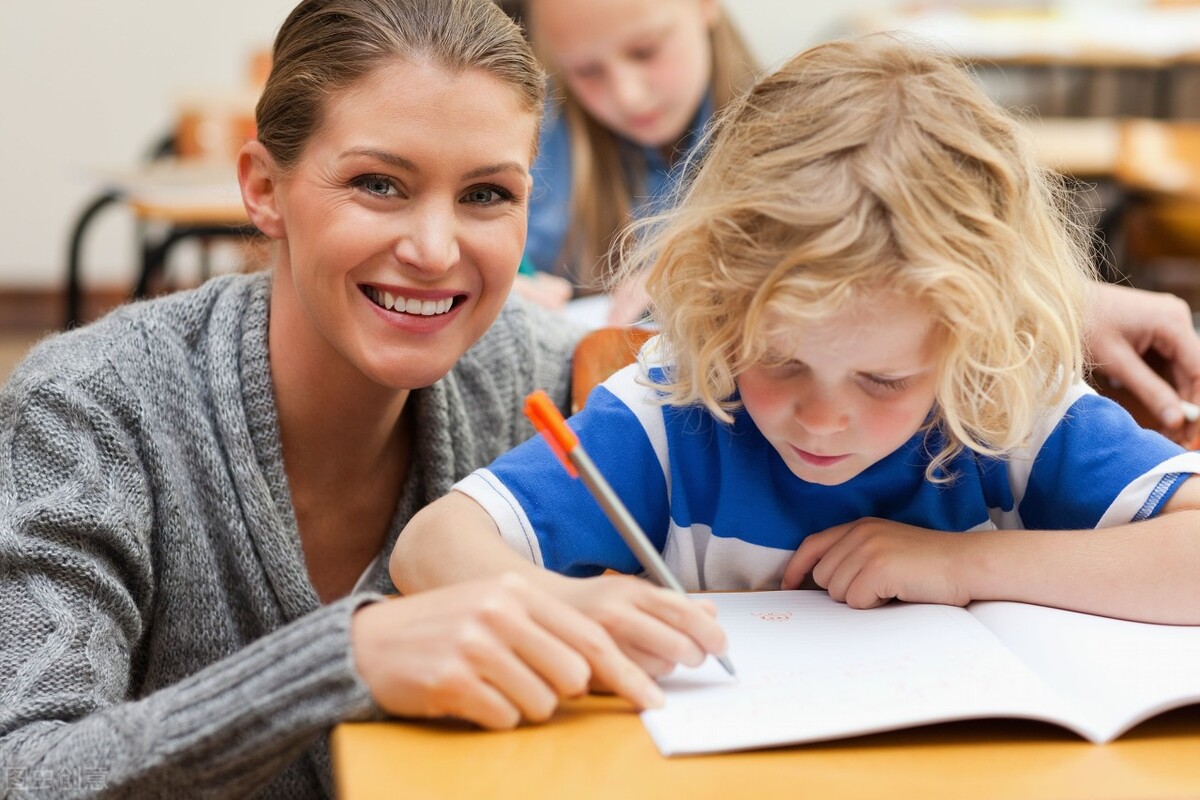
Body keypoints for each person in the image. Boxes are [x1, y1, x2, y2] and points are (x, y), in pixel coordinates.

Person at [0, 1, 731, 797]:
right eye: (378, 184)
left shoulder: (548, 377)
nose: (434, 250)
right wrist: (353, 656)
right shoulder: (92, 409)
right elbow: (25, 766)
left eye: (486, 195)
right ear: (263, 189)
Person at [391, 35, 1200, 648]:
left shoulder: (1001, 403)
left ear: (969, 341)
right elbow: (433, 546)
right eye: (780, 360)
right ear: (719, 307)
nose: (820, 418)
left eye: (883, 380)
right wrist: (575, 608)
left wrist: (962, 568)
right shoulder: (677, 411)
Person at [511, 0, 758, 316]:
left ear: (705, 5)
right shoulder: (531, 134)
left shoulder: (796, 132)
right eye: (586, 71)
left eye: (645, 51)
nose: (629, 97)